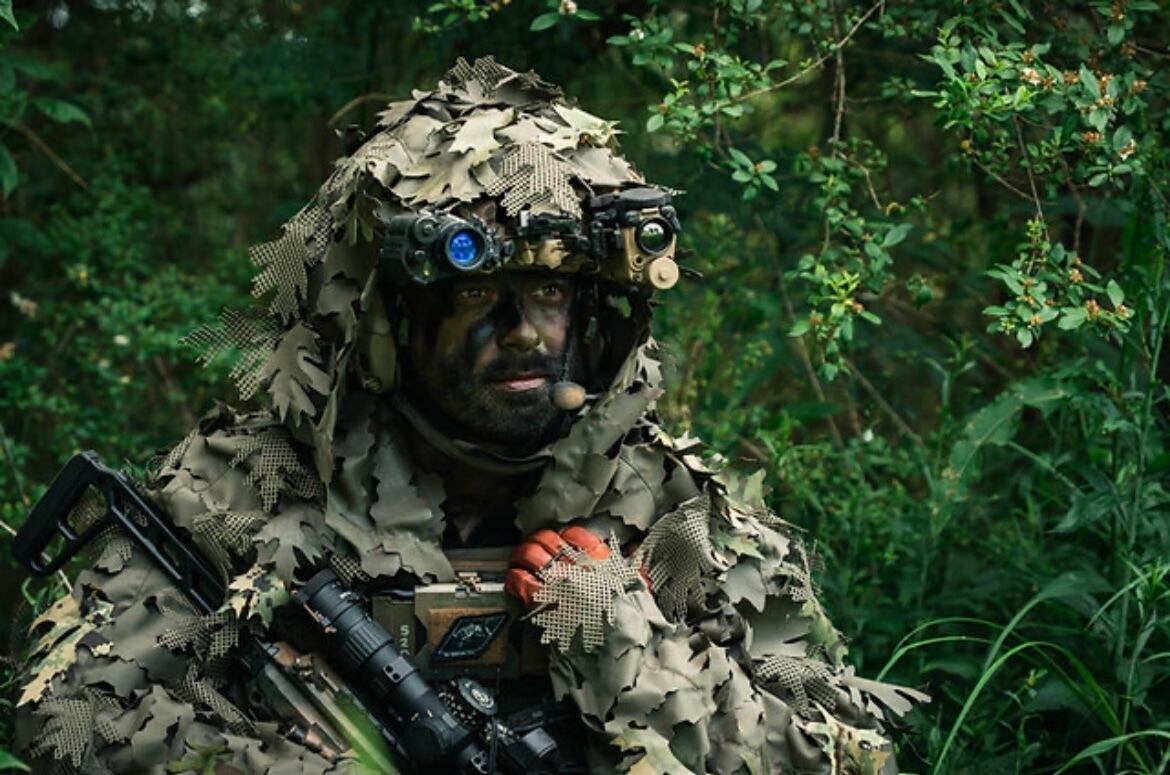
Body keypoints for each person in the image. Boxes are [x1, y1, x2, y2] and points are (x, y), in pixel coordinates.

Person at [13, 57, 925, 774]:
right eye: (476, 291)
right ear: (387, 322)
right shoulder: (244, 492)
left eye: (550, 291)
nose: (524, 331)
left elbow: (854, 756)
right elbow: (65, 723)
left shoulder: (675, 512)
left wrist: (628, 650)